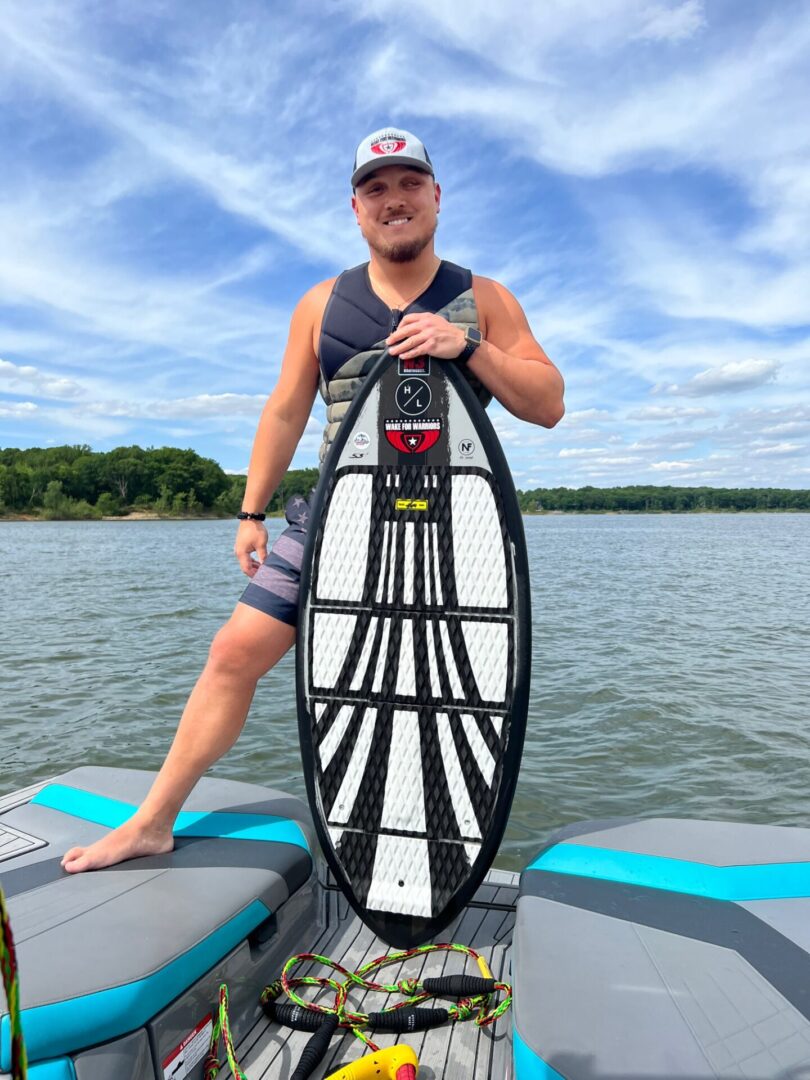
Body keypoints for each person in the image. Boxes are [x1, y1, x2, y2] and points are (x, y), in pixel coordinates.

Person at [61, 127, 565, 874]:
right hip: (337, 514)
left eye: (408, 184)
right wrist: (250, 511)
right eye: (376, 189)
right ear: (356, 209)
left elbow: (549, 403)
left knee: (434, 688)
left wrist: (470, 349)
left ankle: (429, 861)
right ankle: (152, 821)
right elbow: (286, 410)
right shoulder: (320, 303)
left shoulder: (482, 298)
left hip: (456, 526)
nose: (393, 200)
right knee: (233, 651)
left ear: (436, 196)